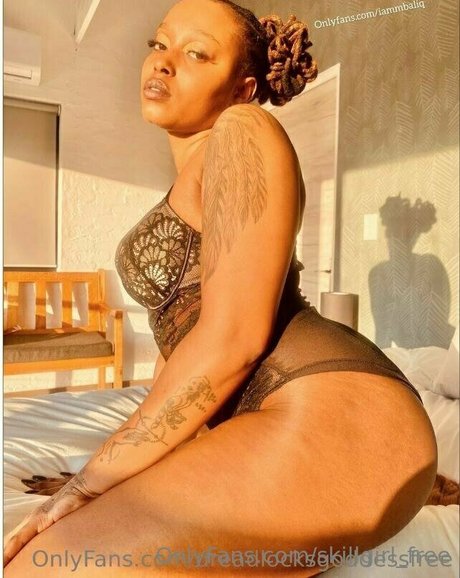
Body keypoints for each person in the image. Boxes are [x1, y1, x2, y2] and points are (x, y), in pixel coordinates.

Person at [4, 0, 438, 575]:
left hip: (341, 418)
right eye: (159, 44)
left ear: (243, 88)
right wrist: (127, 469)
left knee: (43, 564)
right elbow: (180, 346)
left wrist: (90, 480)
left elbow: (233, 338)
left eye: (196, 54)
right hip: (268, 419)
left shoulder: (242, 129)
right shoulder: (197, 170)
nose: (163, 62)